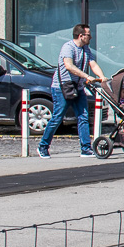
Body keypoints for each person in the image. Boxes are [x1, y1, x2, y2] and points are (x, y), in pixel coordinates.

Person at [38, 24, 106, 158]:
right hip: (62, 87)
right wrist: (87, 76)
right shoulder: (68, 47)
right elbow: (69, 66)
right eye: (88, 35)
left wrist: (102, 76)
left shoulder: (85, 49)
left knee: (83, 117)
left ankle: (86, 149)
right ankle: (43, 146)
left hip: (78, 87)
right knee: (57, 117)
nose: (91, 37)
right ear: (81, 36)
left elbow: (92, 64)